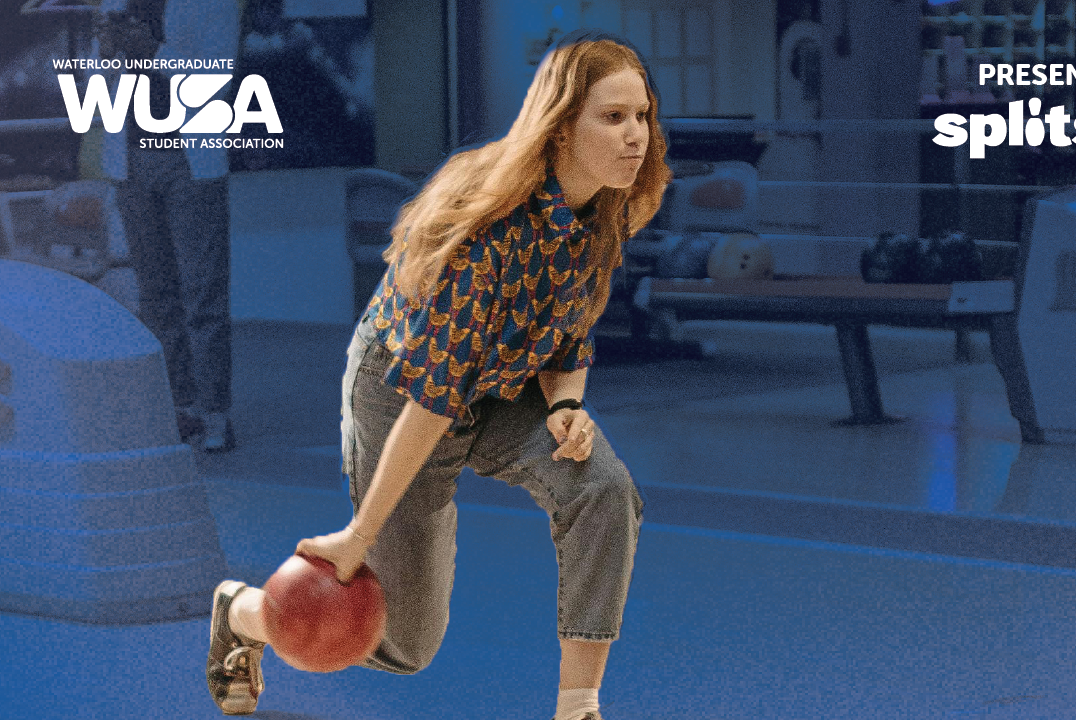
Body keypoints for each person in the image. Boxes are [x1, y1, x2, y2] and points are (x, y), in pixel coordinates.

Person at [205, 33, 670, 720]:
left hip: (500, 388)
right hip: (402, 389)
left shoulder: (605, 208)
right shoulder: (489, 229)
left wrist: (566, 407)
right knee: (402, 643)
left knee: (603, 488)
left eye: (643, 116)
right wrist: (358, 537)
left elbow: (569, 335)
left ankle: (579, 708)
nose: (636, 135)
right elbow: (432, 400)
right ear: (563, 128)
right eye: (613, 117)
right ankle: (241, 614)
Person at [95, 0, 237, 452]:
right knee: (155, 295)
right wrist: (104, 56)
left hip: (189, 161)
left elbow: (216, 73)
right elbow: (98, 87)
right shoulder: (115, 4)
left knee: (203, 294)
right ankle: (175, 408)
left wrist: (148, 53)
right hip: (130, 161)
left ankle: (214, 413)